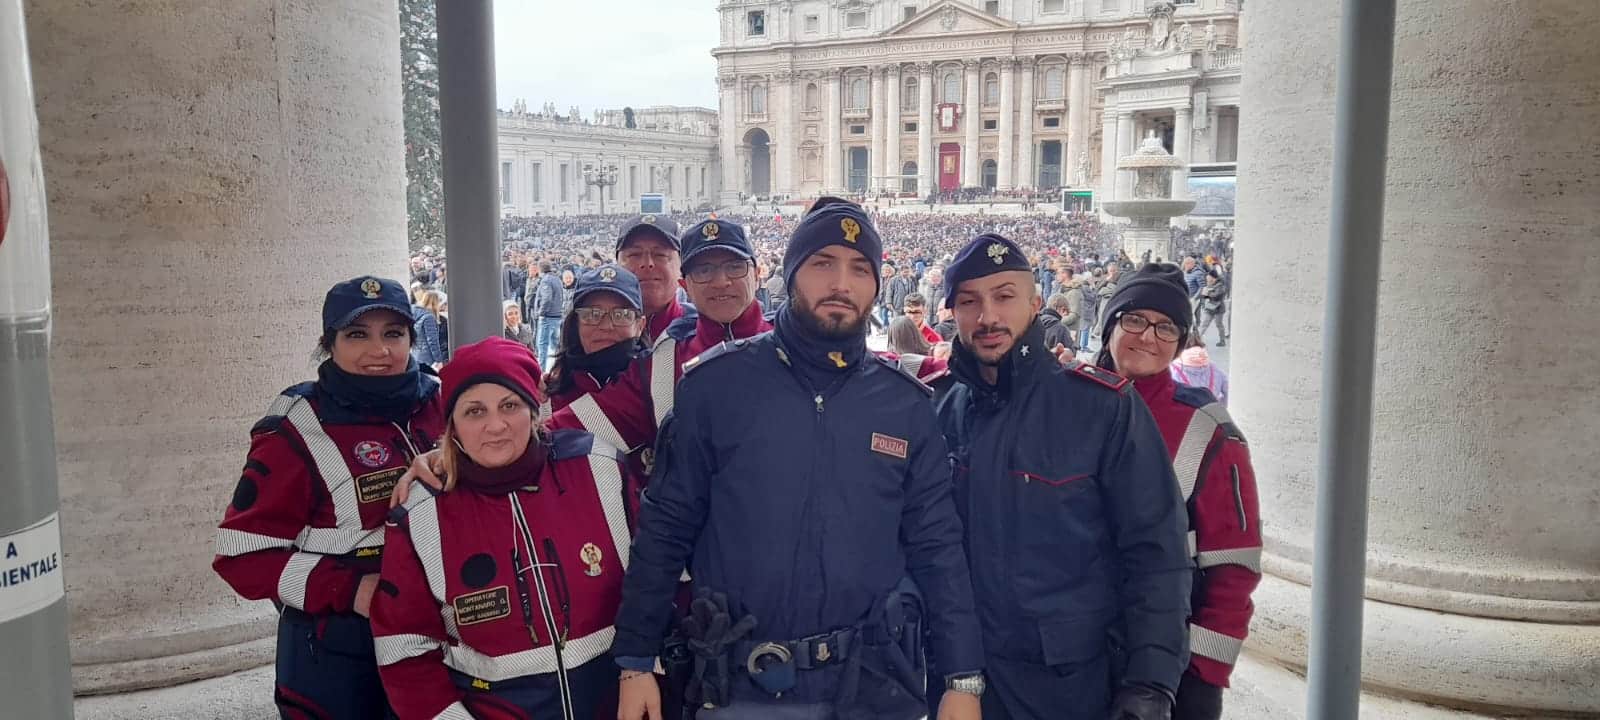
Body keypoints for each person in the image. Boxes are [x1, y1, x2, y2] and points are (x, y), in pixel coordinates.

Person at [614, 198, 985, 720]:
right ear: (790, 276)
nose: (841, 283)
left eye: (859, 269)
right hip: (746, 685)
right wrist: (635, 660)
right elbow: (666, 528)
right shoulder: (716, 387)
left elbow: (937, 545)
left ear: (876, 285)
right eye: (823, 263)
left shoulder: (904, 404)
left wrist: (962, 677)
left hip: (873, 686)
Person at [935, 233, 1191, 720]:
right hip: (960, 681)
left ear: (1035, 304)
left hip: (1069, 687)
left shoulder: (1102, 408)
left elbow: (1157, 553)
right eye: (970, 301)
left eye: (1004, 297)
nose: (988, 316)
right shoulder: (938, 407)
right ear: (952, 312)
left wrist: (1151, 682)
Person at [213, 276, 445, 718]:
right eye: (357, 335)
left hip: (438, 639)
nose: (379, 350)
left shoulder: (443, 402)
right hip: (339, 655)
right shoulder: (296, 426)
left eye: (393, 334)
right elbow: (242, 556)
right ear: (329, 344)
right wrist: (352, 589)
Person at [372, 337, 632, 720]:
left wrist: (647, 673)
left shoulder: (598, 467)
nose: (495, 426)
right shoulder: (421, 513)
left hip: (619, 703)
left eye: (510, 405)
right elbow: (404, 649)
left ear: (534, 410)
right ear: (452, 425)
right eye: (474, 411)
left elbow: (655, 583)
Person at [1094, 264, 1261, 720]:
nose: (1148, 337)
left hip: (1172, 668)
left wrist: (1203, 674)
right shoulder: (1065, 400)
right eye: (1134, 320)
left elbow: (1234, 563)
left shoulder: (1208, 427)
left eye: (1166, 327)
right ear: (1109, 324)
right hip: (1071, 654)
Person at [613, 214, 695, 345]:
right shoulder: (595, 331)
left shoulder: (704, 332)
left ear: (681, 266)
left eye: (660, 255)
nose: (647, 263)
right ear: (616, 265)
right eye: (634, 254)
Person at [1171, 340, 1230, 407]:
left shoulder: (1173, 369)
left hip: (1184, 412)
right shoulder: (1214, 368)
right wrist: (1219, 405)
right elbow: (1230, 391)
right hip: (1210, 411)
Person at [533, 261, 566, 367]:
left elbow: (547, 298)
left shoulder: (546, 280)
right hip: (557, 315)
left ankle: (541, 369)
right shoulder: (557, 279)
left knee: (542, 344)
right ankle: (560, 366)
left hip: (548, 317)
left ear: (540, 269)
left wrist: (540, 312)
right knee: (555, 344)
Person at [412, 289, 447, 369]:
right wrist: (439, 360)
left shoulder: (416, 314)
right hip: (427, 359)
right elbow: (432, 341)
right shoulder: (429, 317)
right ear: (434, 303)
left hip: (417, 355)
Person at [1195, 270, 1229, 346]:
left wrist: (1208, 293)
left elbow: (1217, 295)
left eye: (1209, 279)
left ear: (1214, 278)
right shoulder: (1210, 284)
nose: (1208, 281)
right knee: (1204, 324)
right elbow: (1206, 296)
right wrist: (1204, 294)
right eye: (1207, 280)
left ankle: (1222, 341)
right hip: (1210, 308)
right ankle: (1197, 340)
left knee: (1219, 325)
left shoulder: (1220, 285)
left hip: (1218, 308)